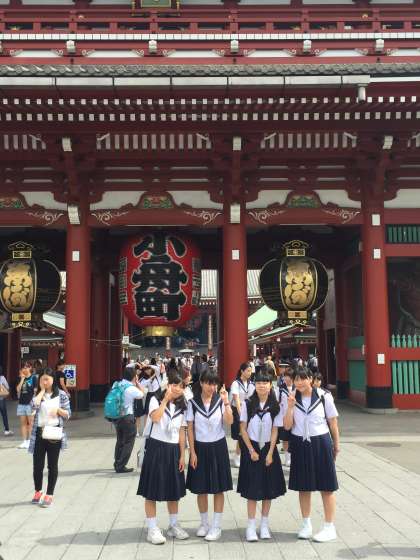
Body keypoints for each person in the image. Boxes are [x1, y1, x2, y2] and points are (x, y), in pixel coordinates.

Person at [283, 367, 340, 543]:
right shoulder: (292, 397)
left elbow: (333, 422)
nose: (299, 382)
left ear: (310, 379)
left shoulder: (324, 396)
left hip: (321, 441)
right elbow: (287, 426)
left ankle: (329, 527)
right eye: (296, 379)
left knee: (327, 486)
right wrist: (290, 407)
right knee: (303, 486)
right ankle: (306, 524)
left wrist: (336, 445)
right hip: (300, 443)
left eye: (303, 378)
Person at [137, 371, 189, 545]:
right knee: (151, 490)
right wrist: (165, 400)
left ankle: (173, 525)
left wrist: (182, 455)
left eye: (181, 386)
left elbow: (182, 431)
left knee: (174, 491)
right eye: (174, 385)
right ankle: (152, 528)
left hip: (173, 450)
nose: (177, 388)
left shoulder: (183, 406)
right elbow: (156, 418)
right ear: (167, 385)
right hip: (156, 447)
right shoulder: (155, 400)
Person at [238, 368, 287, 541]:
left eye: (265, 382)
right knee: (252, 489)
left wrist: (271, 452)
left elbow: (275, 430)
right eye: (258, 382)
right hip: (251, 448)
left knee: (268, 489)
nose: (262, 385)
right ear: (254, 385)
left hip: (268, 449)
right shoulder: (247, 404)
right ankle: (251, 526)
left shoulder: (275, 406)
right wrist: (251, 450)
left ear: (270, 385)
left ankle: (264, 525)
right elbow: (242, 429)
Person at [186, 369, 233, 541]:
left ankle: (216, 526)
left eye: (214, 384)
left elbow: (229, 421)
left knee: (218, 488)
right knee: (201, 488)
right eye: (208, 383)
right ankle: (204, 523)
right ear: (201, 383)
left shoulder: (220, 401)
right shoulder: (192, 403)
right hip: (200, 447)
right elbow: (190, 428)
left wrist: (227, 402)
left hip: (218, 447)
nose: (211, 387)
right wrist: (192, 452)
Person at [29, 367, 71, 507]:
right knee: (37, 466)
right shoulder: (38, 394)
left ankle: (49, 494)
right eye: (42, 379)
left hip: (54, 434)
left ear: (53, 379)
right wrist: (41, 391)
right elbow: (32, 407)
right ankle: (38, 491)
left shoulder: (61, 395)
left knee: (52, 466)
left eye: (47, 379)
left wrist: (58, 410)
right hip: (39, 433)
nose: (45, 382)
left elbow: (68, 414)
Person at [114, 367, 144, 473]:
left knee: (120, 440)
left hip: (117, 416)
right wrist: (137, 383)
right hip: (127, 417)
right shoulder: (131, 388)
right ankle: (121, 465)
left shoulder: (116, 384)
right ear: (133, 376)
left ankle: (117, 462)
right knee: (129, 441)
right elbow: (141, 394)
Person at [229, 362, 255, 468]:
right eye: (248, 371)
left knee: (248, 434)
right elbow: (236, 399)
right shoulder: (235, 383)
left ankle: (245, 454)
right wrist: (241, 416)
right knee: (241, 434)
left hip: (249, 410)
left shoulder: (251, 383)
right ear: (242, 371)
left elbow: (253, 399)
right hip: (238, 410)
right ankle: (237, 455)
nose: (250, 373)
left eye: (250, 371)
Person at [16, 366, 37, 449]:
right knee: (23, 423)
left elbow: (35, 391)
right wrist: (22, 379)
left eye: (26, 367)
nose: (24, 369)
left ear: (30, 369)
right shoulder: (21, 378)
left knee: (31, 423)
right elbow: (18, 390)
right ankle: (25, 441)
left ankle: (31, 442)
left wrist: (34, 403)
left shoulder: (34, 378)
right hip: (21, 403)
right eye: (23, 368)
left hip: (30, 404)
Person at [279, 368, 295, 467]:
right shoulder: (281, 388)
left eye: (287, 376)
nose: (285, 378)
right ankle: (287, 457)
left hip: (295, 417)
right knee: (285, 438)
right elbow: (278, 403)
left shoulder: (297, 388)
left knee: (294, 437)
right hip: (284, 417)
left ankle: (294, 456)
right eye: (284, 376)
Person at [0, 366, 13, 436]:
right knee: (4, 415)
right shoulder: (2, 378)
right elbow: (7, 387)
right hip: (1, 399)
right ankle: (6, 430)